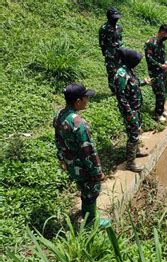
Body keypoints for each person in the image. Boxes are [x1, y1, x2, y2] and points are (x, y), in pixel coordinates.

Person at [53, 83, 109, 227]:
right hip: (83, 166)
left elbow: (58, 140)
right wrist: (97, 172)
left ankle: (87, 214)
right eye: (86, 98)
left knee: (83, 188)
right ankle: (91, 223)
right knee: (92, 191)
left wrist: (61, 158)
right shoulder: (79, 123)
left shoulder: (59, 115)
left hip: (71, 164)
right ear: (78, 101)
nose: (87, 101)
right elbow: (88, 151)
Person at [114, 48, 151, 172]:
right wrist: (128, 113)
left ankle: (136, 151)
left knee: (136, 130)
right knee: (133, 134)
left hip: (135, 108)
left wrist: (144, 82)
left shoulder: (128, 70)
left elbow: (133, 84)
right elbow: (121, 96)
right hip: (130, 110)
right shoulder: (121, 74)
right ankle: (130, 163)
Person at [144, 24, 167, 123]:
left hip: (162, 71)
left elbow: (164, 55)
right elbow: (149, 58)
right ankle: (157, 114)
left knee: (164, 91)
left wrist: (166, 64)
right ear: (162, 32)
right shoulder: (150, 43)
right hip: (155, 72)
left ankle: (162, 110)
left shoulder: (161, 43)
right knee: (159, 93)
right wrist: (160, 65)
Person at [99, 7, 124, 94]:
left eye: (117, 18)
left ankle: (121, 87)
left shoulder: (119, 27)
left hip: (120, 53)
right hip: (110, 54)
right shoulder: (104, 28)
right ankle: (114, 90)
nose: (116, 19)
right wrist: (106, 53)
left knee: (121, 70)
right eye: (114, 18)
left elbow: (121, 40)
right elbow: (102, 43)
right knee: (111, 72)